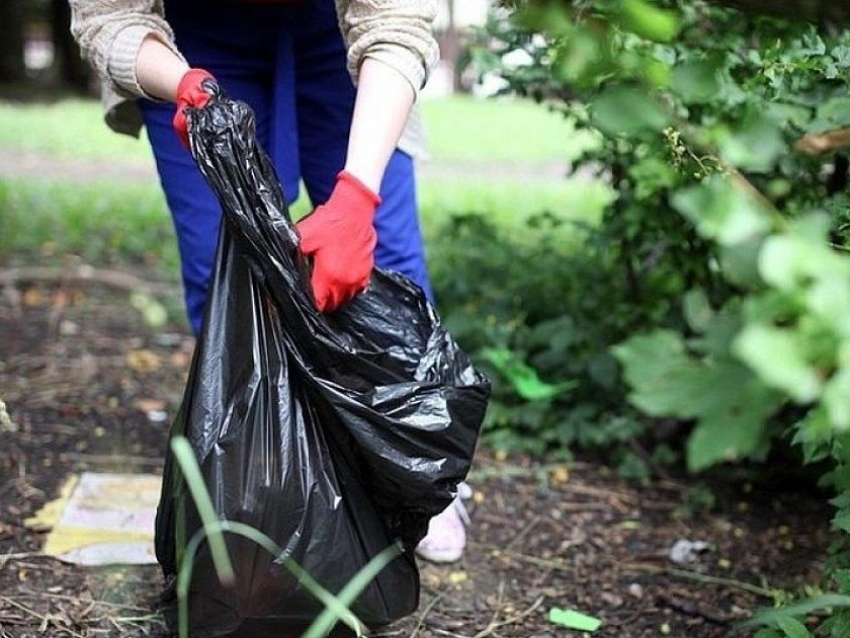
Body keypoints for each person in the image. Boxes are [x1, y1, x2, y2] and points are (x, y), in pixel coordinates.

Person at [68, 0, 469, 564]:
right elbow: (108, 18)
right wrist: (182, 83)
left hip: (335, 30)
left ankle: (414, 476)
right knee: (220, 267)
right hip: (188, 38)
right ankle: (256, 476)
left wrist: (356, 197)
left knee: (385, 255)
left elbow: (394, 21)